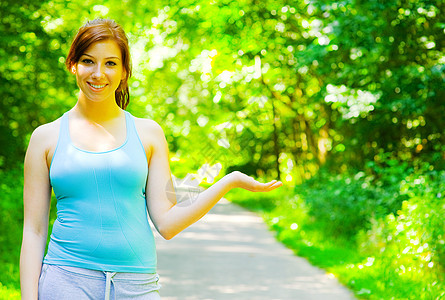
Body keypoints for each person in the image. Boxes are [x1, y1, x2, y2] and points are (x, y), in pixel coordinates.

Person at [20, 18, 282, 300]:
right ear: (73, 64)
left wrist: (229, 182)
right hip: (67, 282)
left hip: (136, 287)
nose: (98, 73)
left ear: (124, 71)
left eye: (110, 63)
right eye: (88, 61)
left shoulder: (149, 134)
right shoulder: (45, 138)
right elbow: (34, 232)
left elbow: (167, 222)